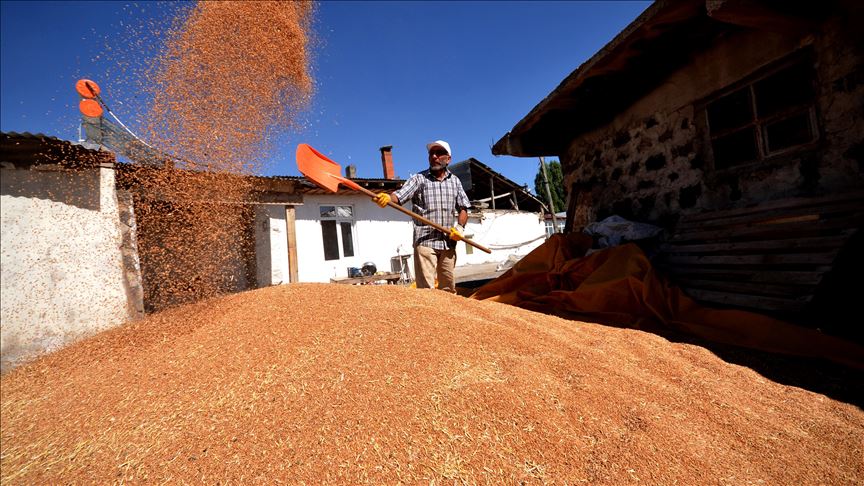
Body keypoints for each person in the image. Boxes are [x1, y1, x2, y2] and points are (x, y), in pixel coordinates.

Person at [373, 140, 470, 293]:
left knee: (448, 289)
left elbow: (464, 208)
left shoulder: (455, 182)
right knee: (427, 291)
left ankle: (447, 317)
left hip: (448, 242)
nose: (434, 156)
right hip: (425, 242)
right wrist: (387, 198)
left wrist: (459, 227)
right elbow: (399, 196)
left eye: (439, 153)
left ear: (448, 158)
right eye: (431, 153)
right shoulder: (419, 179)